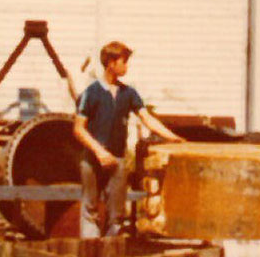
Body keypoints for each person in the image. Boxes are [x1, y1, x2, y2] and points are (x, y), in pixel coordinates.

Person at [72, 40, 183, 236]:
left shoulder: (128, 93)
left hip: (117, 161)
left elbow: (147, 119)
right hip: (92, 160)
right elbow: (78, 129)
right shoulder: (92, 93)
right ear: (111, 63)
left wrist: (174, 138)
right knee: (90, 212)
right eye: (124, 62)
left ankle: (110, 253)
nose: (127, 66)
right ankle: (90, 252)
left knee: (117, 217)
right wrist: (99, 152)